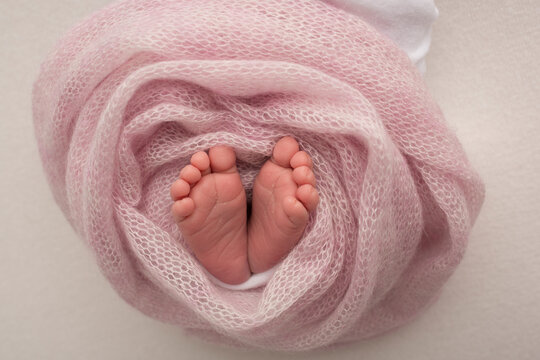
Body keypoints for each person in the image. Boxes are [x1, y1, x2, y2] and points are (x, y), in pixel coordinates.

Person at [170, 136, 319, 285]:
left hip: (209, 282)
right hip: (279, 275)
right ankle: (261, 260)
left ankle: (231, 265)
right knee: (288, 151)